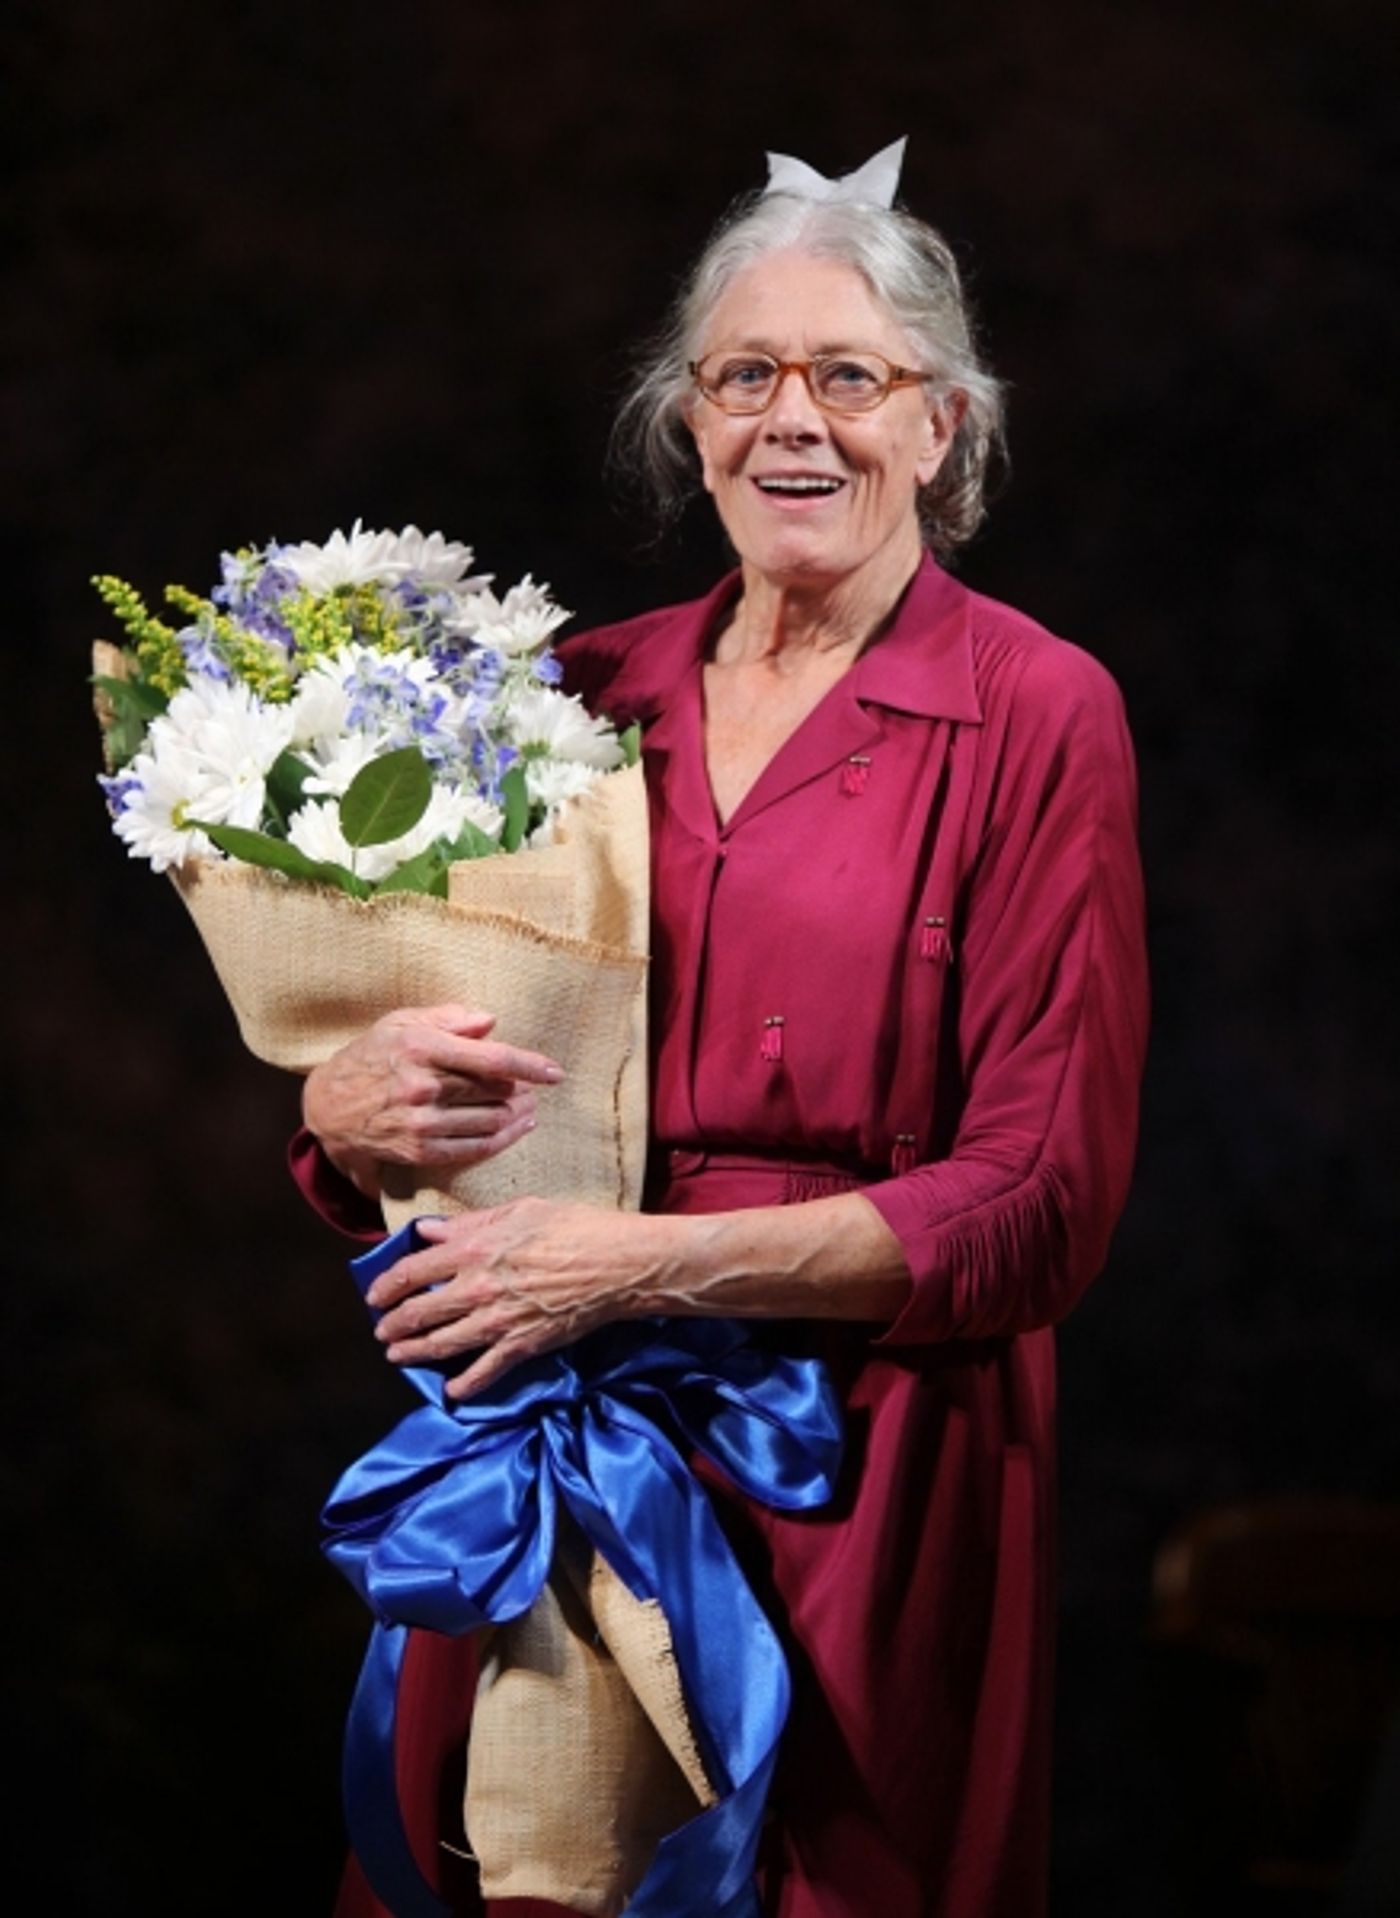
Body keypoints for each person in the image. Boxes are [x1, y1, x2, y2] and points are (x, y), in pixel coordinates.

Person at [293, 139, 1149, 1918]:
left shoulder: (1036, 712)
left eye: (852, 375)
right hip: (552, 1434)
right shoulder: (565, 699)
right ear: (686, 421)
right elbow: (416, 1091)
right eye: (744, 374)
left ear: (945, 425)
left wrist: (641, 1266)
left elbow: (1038, 1204)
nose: (794, 420)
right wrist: (345, 1102)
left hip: (864, 1469)